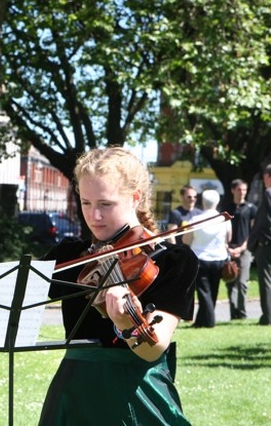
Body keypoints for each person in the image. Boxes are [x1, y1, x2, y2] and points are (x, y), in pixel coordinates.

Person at [39, 147, 198, 425]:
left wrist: (126, 324)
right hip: (74, 391)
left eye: (106, 204)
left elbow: (154, 347)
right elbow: (17, 291)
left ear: (135, 198)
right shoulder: (70, 256)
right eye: (86, 203)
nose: (94, 216)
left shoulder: (173, 260)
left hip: (136, 395)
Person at [182, 189, 232, 328]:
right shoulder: (225, 219)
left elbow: (186, 240)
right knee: (213, 290)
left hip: (200, 258)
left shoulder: (195, 219)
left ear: (202, 202)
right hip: (219, 258)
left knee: (204, 292)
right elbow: (229, 238)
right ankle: (201, 321)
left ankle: (209, 321)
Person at [224, 179, 257, 320]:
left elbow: (253, 230)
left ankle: (242, 313)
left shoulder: (250, 208)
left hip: (245, 250)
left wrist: (243, 247)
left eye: (244, 189)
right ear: (232, 190)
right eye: (239, 189)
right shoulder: (226, 208)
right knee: (230, 281)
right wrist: (227, 247)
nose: (242, 192)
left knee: (242, 283)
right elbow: (222, 230)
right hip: (229, 250)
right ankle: (234, 314)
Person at [248, 164, 271, 326]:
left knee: (266, 281)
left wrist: (256, 242)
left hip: (266, 244)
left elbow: (264, 222)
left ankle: (267, 316)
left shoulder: (269, 193)